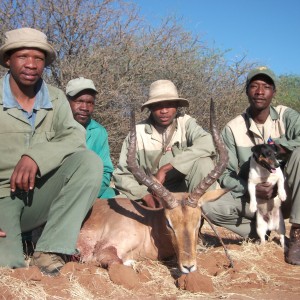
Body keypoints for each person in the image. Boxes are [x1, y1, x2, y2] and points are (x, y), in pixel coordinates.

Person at [0, 28, 102, 275]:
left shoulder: (56, 98)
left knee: (89, 162)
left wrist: (35, 156)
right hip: (3, 198)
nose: (31, 64)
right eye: (23, 56)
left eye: (39, 59)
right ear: (7, 61)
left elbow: (75, 136)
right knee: (9, 269)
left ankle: (49, 250)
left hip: (39, 196)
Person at [202, 66, 300, 265]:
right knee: (208, 207)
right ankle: (259, 232)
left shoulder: (286, 116)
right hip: (254, 199)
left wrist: (279, 147)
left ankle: (297, 233)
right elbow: (226, 173)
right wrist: (251, 188)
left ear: (274, 92)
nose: (260, 91)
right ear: (247, 90)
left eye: (266, 86)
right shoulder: (232, 128)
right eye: (254, 86)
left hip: (287, 196)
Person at [113, 79, 217, 208]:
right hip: (148, 192)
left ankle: (199, 215)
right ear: (150, 108)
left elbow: (209, 142)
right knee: (116, 204)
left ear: (177, 106)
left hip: (183, 192)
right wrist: (145, 195)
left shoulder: (186, 123)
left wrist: (168, 167)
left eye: (169, 105)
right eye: (158, 105)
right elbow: (122, 174)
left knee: (204, 163)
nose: (164, 111)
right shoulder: (137, 132)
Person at [66, 77, 116, 198]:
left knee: (115, 198)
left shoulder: (99, 131)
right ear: (67, 101)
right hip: (61, 188)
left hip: (89, 189)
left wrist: (90, 192)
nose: (84, 107)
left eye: (90, 103)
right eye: (79, 101)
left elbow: (105, 170)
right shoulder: (53, 126)